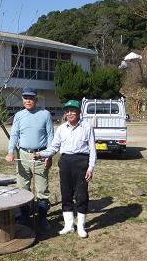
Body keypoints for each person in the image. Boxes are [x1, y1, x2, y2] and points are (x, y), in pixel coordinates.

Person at [34, 100, 96, 238]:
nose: (70, 113)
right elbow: (54, 147)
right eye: (67, 111)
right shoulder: (61, 128)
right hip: (65, 162)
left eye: (73, 110)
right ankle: (68, 225)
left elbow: (92, 149)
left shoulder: (87, 127)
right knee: (66, 194)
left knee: (81, 195)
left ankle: (81, 226)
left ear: (79, 112)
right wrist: (40, 154)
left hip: (81, 162)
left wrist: (90, 168)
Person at [6, 87, 54, 230]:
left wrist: (49, 155)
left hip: (40, 156)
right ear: (22, 99)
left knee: (42, 190)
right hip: (23, 156)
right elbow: (14, 135)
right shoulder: (19, 116)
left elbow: (50, 135)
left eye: (31, 98)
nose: (28, 100)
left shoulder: (45, 114)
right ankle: (25, 217)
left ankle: (42, 219)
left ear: (36, 99)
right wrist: (10, 152)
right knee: (22, 188)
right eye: (25, 98)